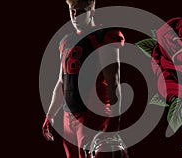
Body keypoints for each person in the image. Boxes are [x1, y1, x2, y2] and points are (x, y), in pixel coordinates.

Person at [42, 0, 126, 157]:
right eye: (72, 11)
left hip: (93, 115)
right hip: (69, 118)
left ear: (92, 12)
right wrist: (50, 115)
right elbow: (62, 82)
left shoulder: (102, 37)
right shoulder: (66, 41)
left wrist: (114, 124)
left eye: (80, 11)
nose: (75, 16)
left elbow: (113, 83)